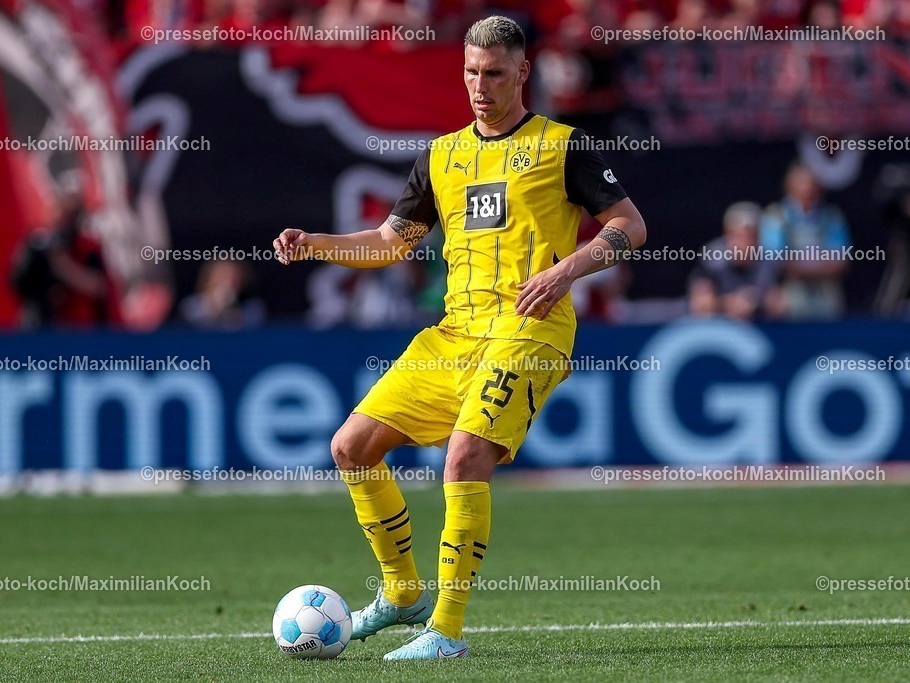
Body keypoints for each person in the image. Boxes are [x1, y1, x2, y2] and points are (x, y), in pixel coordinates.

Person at [273, 15, 645, 660]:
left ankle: (444, 630)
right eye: (471, 72)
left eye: (495, 72)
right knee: (352, 447)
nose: (480, 85)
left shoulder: (562, 146)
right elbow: (392, 243)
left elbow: (630, 226)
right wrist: (317, 245)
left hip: (530, 330)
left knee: (466, 456)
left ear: (522, 72)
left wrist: (567, 269)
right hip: (453, 334)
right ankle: (401, 593)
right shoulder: (441, 156)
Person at [759, 163, 851, 319]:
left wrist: (810, 268)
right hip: (790, 287)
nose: (806, 188)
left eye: (810, 183)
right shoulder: (775, 216)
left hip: (825, 288)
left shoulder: (831, 216)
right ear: (789, 186)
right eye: (801, 183)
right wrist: (812, 266)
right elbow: (774, 260)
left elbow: (840, 260)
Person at [688, 202, 782, 320]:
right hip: (717, 326)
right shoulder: (711, 258)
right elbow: (700, 303)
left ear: (758, 236)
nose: (743, 242)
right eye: (736, 235)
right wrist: (726, 304)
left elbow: (777, 302)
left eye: (749, 235)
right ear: (727, 234)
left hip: (758, 328)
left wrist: (754, 303)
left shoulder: (770, 259)